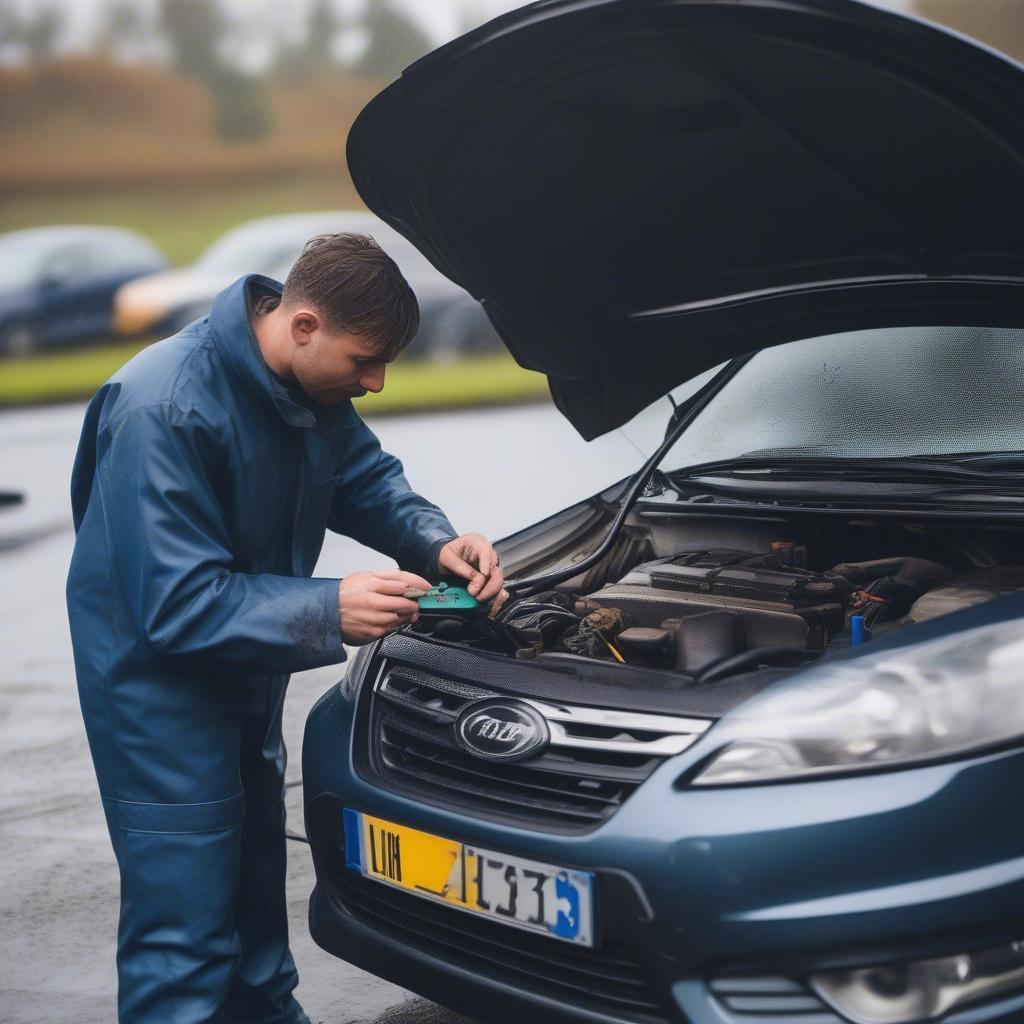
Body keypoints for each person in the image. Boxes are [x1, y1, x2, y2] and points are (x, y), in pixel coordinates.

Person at [65, 233, 507, 1024]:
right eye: (366, 360)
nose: (374, 383)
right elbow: (175, 602)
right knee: (187, 936)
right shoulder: (161, 406)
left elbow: (365, 478)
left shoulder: (311, 391)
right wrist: (327, 607)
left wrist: (436, 541)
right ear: (303, 325)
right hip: (157, 697)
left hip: (246, 671)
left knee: (256, 903)